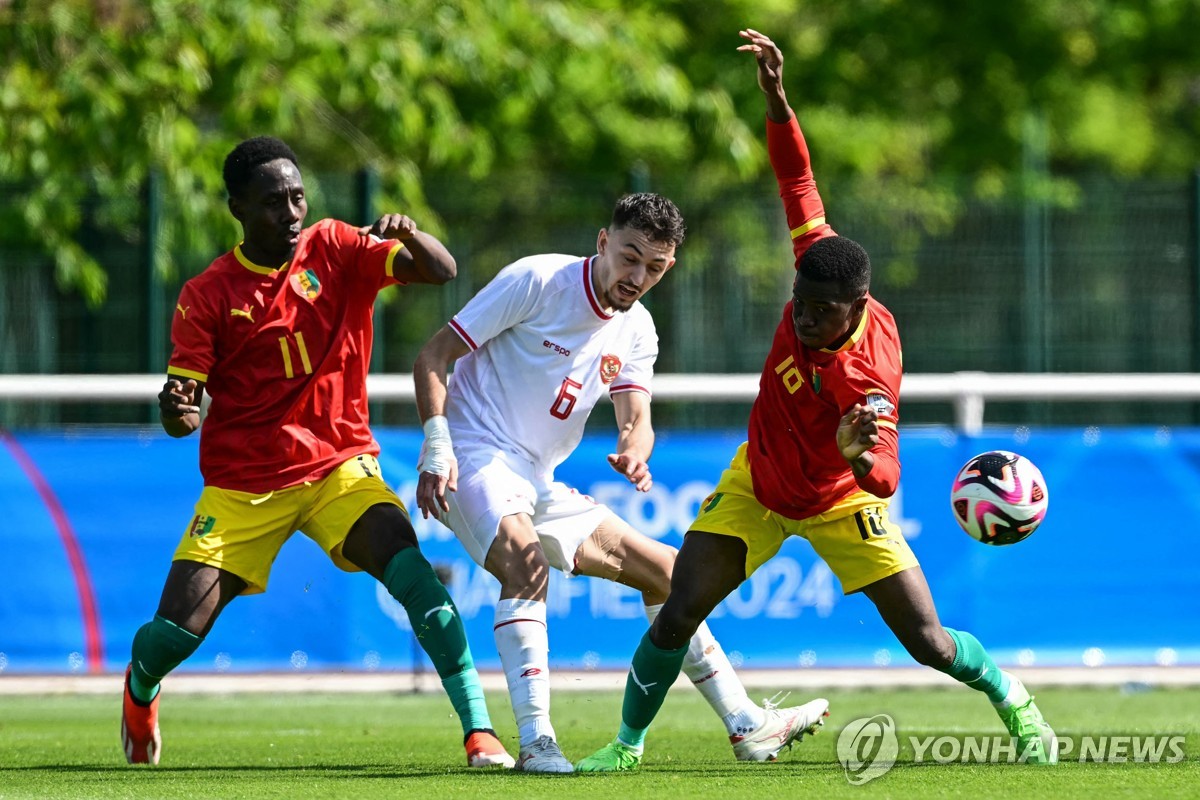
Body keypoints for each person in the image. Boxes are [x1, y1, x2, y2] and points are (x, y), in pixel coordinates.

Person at [575, 30, 1058, 772]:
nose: (800, 315)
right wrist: (778, 102)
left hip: (837, 500)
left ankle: (1016, 704)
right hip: (758, 484)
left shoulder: (868, 374)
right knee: (677, 611)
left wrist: (854, 460)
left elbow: (888, 475)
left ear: (854, 305)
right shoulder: (817, 264)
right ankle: (626, 746)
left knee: (928, 642)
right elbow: (796, 180)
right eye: (798, 299)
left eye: (817, 310)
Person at [120, 136, 514, 770]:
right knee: (174, 633)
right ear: (237, 209)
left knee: (412, 574)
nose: (291, 211)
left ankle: (480, 731)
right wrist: (178, 409)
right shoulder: (208, 292)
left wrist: (408, 234)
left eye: (298, 196)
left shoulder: (336, 247)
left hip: (339, 465)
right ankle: (140, 692)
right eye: (273, 201)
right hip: (244, 483)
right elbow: (182, 416)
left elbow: (441, 271)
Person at [412, 193, 830, 774]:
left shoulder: (637, 329)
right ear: (603, 241)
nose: (637, 277)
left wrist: (635, 447)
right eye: (629, 257)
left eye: (654, 268)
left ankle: (747, 725)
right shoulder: (536, 280)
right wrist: (436, 447)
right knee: (525, 566)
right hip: (473, 454)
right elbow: (433, 355)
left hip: (537, 476)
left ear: (669, 267)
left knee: (671, 573)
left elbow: (635, 415)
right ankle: (537, 744)